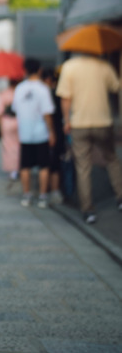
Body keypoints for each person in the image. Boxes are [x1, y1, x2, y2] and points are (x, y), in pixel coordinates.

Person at [56, 51, 122, 224]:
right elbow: (116, 87)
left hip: (79, 123)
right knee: (112, 159)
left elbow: (65, 98)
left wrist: (66, 120)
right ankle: (120, 197)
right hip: (103, 121)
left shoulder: (69, 67)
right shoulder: (104, 66)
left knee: (83, 166)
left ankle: (88, 210)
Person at [12, 58, 55, 209]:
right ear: (39, 70)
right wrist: (51, 132)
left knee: (25, 166)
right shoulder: (43, 89)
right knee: (44, 165)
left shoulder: (19, 89)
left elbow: (16, 109)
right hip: (41, 132)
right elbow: (47, 113)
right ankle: (43, 196)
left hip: (25, 132)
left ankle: (26, 195)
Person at [40, 67, 65, 205]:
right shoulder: (58, 94)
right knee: (55, 163)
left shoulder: (45, 94)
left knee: (47, 163)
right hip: (57, 132)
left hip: (47, 133)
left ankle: (46, 191)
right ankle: (55, 191)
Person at [0, 79, 20, 182]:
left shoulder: (3, 93)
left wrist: (0, 126)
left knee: (9, 147)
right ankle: (21, 167)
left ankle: (13, 170)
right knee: (20, 146)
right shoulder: (21, 92)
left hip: (7, 122)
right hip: (20, 121)